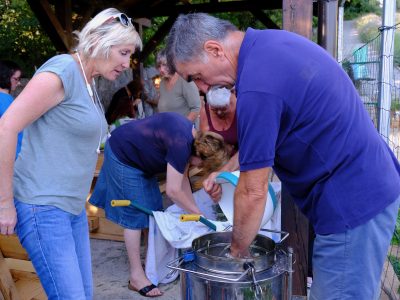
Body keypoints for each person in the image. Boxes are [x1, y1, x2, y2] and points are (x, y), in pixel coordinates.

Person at [165, 13, 400, 299]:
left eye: (198, 77)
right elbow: (261, 145)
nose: (202, 88)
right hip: (367, 184)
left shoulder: (257, 86)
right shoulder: (267, 46)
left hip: (353, 202)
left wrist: (238, 252)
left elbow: (253, 191)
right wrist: (224, 169)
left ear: (215, 49)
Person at [0, 8, 142, 299]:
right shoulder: (62, 69)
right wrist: (4, 202)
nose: (128, 64)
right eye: (124, 52)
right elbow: (6, 128)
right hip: (43, 206)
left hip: (73, 209)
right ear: (101, 42)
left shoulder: (88, 83)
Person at [88, 112, 229, 297]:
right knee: (135, 217)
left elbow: (182, 180)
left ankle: (151, 264)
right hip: (123, 154)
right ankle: (136, 277)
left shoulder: (192, 138)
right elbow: (173, 190)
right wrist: (198, 214)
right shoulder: (181, 145)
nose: (201, 169)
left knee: (154, 211)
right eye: (203, 165)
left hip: (140, 157)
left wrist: (196, 212)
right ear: (201, 155)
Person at [199, 86, 240, 197]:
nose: (219, 112)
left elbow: (250, 147)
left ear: (231, 97)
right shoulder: (205, 112)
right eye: (214, 109)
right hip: (218, 164)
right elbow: (207, 146)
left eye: (223, 108)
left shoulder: (242, 107)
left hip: (242, 163)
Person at [155, 49, 201, 127]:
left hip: (184, 130)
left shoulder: (184, 80)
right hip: (168, 130)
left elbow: (196, 108)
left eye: (165, 65)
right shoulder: (162, 82)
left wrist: (182, 127)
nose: (161, 69)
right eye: (159, 66)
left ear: (173, 64)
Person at [0, 60, 23, 159]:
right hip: (11, 158)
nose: (19, 83)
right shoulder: (6, 101)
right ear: (5, 76)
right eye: (16, 79)